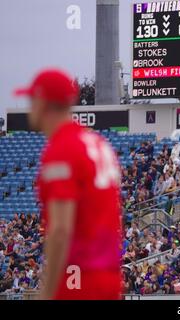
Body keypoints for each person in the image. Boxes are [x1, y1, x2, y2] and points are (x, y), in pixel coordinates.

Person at [14, 69, 122, 300]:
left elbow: (61, 230)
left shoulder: (62, 149)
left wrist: (48, 291)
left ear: (43, 102)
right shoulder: (98, 143)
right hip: (108, 274)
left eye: (32, 100)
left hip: (78, 275)